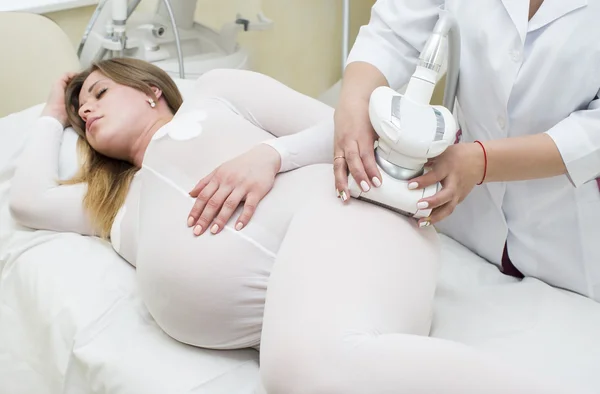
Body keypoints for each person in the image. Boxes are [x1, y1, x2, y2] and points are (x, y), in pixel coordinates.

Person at [8, 58, 580, 393]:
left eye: (100, 92)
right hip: (297, 299)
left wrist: (271, 156)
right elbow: (26, 201)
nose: (88, 110)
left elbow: (348, 128)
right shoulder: (117, 203)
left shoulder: (217, 95)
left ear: (151, 88)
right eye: (81, 111)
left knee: (297, 369)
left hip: (345, 218)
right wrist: (50, 118)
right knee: (307, 362)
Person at [329, 0, 600, 302]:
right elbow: (394, 33)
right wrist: (353, 101)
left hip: (569, 251)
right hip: (463, 233)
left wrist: (483, 162)